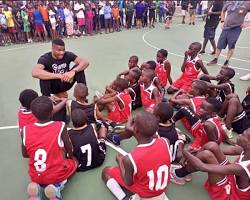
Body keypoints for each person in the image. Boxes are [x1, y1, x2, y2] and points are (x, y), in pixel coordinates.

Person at [102, 111, 171, 200]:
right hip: (161, 189)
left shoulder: (130, 159)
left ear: (135, 129)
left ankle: (123, 198)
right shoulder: (165, 141)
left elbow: (128, 182)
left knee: (106, 171)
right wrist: (135, 129)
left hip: (146, 194)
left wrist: (120, 162)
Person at [21, 96, 77, 199]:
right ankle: (56, 187)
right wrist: (71, 156)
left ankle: (35, 189)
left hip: (35, 174)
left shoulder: (25, 130)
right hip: (54, 175)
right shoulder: (60, 126)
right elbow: (69, 147)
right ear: (52, 112)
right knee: (73, 164)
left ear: (33, 114)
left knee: (40, 176)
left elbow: (25, 154)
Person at [182, 128, 250, 200]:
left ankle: (180, 173)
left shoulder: (244, 168)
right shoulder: (245, 149)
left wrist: (184, 151)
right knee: (212, 146)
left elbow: (202, 167)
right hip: (232, 176)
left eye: (243, 135)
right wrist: (197, 151)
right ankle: (187, 165)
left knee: (206, 155)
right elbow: (231, 150)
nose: (239, 135)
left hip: (231, 195)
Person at [208, 1, 250, 66]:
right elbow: (223, 11)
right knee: (220, 44)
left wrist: (248, 23)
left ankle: (227, 61)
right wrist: (222, 21)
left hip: (236, 28)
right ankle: (215, 59)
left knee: (231, 45)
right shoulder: (229, 2)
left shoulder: (247, 3)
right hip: (226, 27)